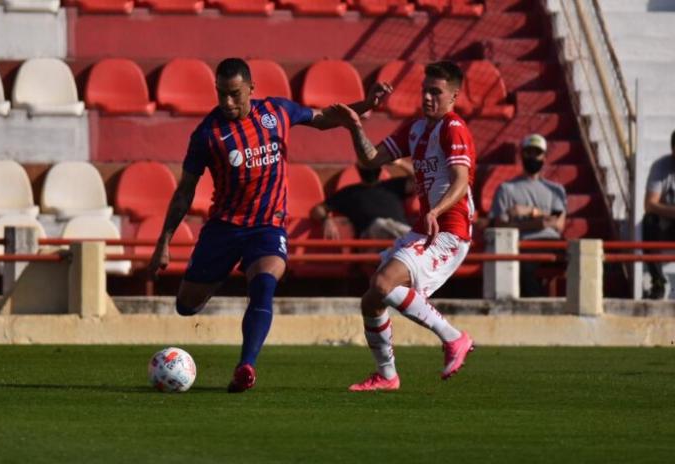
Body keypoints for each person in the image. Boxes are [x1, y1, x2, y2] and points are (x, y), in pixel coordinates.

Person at [147, 58, 392, 393]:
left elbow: (323, 118)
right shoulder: (208, 134)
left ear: (251, 88)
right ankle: (217, 279)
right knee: (186, 306)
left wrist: (365, 105)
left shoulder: (276, 112)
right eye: (221, 94)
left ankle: (246, 365)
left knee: (264, 286)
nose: (227, 102)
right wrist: (164, 242)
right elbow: (185, 192)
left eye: (234, 94)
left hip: (267, 227)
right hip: (224, 228)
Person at [330, 61, 476, 392]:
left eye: (436, 92)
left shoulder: (454, 128)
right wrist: (355, 126)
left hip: (450, 231)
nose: (427, 97)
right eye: (425, 90)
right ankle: (386, 375)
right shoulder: (416, 129)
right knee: (372, 300)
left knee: (383, 282)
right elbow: (370, 160)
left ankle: (454, 338)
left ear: (454, 95)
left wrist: (435, 210)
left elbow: (461, 180)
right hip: (427, 229)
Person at [488, 134, 566, 297]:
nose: (532, 157)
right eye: (528, 152)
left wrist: (529, 211)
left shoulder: (556, 189)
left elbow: (558, 223)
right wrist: (539, 222)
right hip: (522, 243)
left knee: (581, 260)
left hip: (552, 242)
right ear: (521, 155)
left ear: (544, 157)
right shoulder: (506, 189)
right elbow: (499, 224)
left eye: (536, 153)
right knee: (525, 266)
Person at [309, 162, 415, 240]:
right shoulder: (348, 192)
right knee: (380, 224)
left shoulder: (394, 185)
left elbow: (421, 178)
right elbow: (318, 209)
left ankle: (411, 241)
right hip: (371, 238)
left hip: (398, 235)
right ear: (358, 167)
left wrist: (399, 162)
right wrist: (326, 220)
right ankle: (412, 241)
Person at [643, 129, 675, 299]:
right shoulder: (661, 167)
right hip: (666, 225)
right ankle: (658, 282)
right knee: (649, 221)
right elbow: (649, 204)